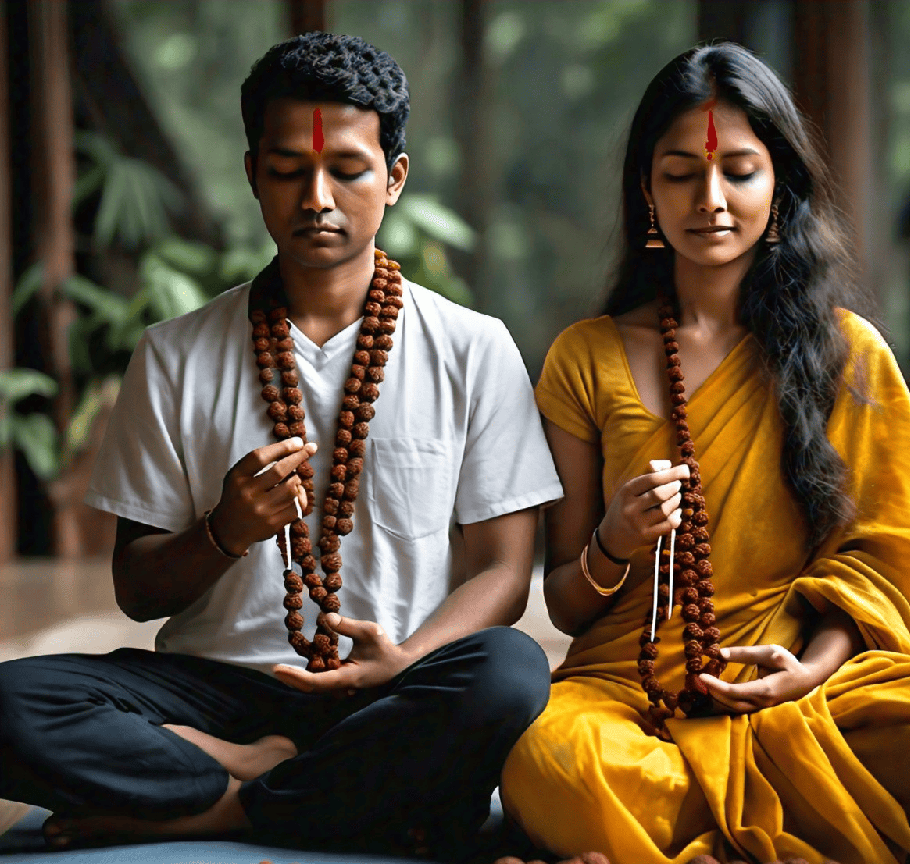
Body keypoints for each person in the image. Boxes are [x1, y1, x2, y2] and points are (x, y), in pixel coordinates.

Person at [0, 32, 563, 859]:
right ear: (253, 174)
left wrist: (407, 658)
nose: (318, 198)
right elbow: (136, 586)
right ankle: (314, 788)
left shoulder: (473, 347)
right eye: (289, 170)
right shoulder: (174, 353)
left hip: (393, 685)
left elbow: (506, 571)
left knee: (509, 673)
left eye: (348, 168)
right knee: (13, 702)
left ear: (396, 178)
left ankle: (222, 804)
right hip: (213, 691)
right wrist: (225, 531)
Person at [498, 42, 910, 864]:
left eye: (739, 170)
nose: (711, 199)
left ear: (781, 185)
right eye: (680, 175)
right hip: (633, 697)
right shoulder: (584, 356)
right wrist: (613, 543)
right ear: (646, 191)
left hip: (814, 684)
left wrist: (808, 671)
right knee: (555, 765)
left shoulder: (850, 355)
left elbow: (881, 564)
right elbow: (563, 604)